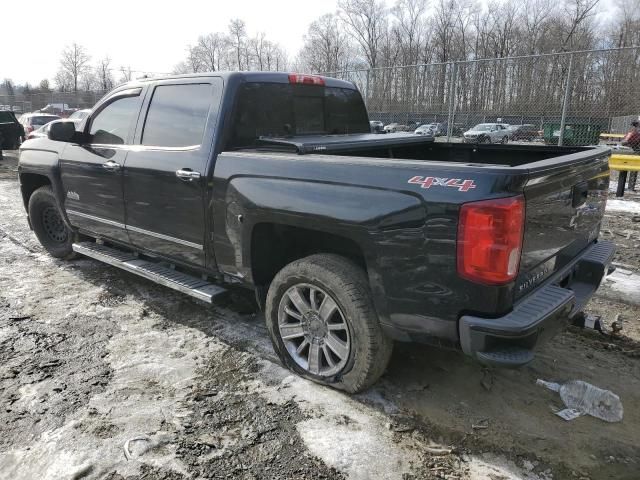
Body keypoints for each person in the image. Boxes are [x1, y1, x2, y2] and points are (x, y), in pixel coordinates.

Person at [622, 120, 640, 190]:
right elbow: (625, 141)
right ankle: (630, 187)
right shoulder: (634, 132)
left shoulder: (634, 132)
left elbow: (625, 142)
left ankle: (631, 187)